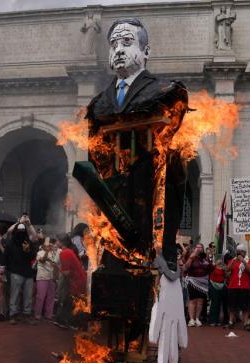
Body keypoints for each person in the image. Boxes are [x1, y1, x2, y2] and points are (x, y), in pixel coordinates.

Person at [86, 17, 188, 265]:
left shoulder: (166, 91)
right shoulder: (98, 103)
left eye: (127, 42)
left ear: (146, 51)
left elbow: (166, 136)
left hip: (148, 201)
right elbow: (94, 153)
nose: (118, 49)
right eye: (114, 44)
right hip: (114, 209)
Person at [6, 217, 38, 324]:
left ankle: (27, 314)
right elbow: (9, 231)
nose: (21, 233)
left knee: (28, 296)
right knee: (14, 294)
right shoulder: (11, 242)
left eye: (22, 231)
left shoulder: (27, 241)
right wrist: (18, 222)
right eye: (19, 230)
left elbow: (35, 238)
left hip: (28, 272)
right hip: (15, 271)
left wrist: (29, 224)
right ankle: (12, 314)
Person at [54, 233, 87, 329]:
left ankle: (72, 323)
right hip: (78, 280)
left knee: (71, 303)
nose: (56, 242)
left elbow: (66, 273)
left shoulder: (64, 253)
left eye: (57, 240)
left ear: (61, 242)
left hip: (76, 282)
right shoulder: (68, 251)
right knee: (71, 302)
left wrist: (58, 267)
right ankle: (69, 322)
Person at [225, 244, 250, 331]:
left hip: (245, 287)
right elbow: (227, 270)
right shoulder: (232, 260)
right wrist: (233, 261)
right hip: (233, 286)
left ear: (245, 252)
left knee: (245, 307)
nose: (239, 253)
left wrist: (243, 261)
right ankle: (231, 322)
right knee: (232, 306)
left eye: (241, 251)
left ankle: (246, 323)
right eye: (238, 251)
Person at [183, 243, 212, 326]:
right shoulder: (191, 256)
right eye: (197, 247)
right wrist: (192, 257)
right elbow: (186, 267)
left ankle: (197, 318)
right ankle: (191, 319)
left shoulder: (205, 258)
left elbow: (210, 268)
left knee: (200, 301)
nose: (199, 249)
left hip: (203, 282)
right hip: (192, 281)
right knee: (192, 300)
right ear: (194, 249)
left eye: (201, 247)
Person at [34, 237, 60, 322]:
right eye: (47, 245)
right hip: (42, 277)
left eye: (50, 245)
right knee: (40, 297)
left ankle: (48, 315)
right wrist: (47, 252)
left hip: (51, 277)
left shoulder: (54, 253)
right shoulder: (40, 252)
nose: (49, 246)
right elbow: (42, 261)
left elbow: (56, 264)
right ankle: (37, 314)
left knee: (51, 297)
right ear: (43, 246)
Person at [207, 256, 227, 326]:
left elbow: (227, 276)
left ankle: (221, 321)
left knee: (222, 304)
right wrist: (215, 264)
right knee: (214, 303)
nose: (220, 261)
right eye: (218, 259)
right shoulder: (213, 267)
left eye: (221, 259)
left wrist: (226, 270)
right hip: (213, 285)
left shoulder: (224, 267)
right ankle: (212, 320)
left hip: (222, 286)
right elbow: (209, 268)